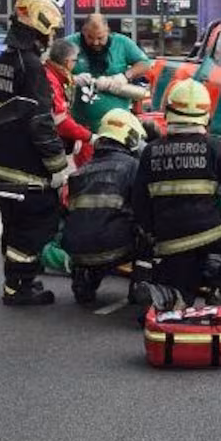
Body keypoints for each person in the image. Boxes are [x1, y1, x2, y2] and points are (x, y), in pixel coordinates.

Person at [129, 78, 221, 307]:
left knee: (180, 288)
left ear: (169, 112)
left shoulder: (150, 152)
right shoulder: (214, 147)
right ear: (206, 115)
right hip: (214, 239)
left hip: (170, 245)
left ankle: (168, 296)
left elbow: (139, 203)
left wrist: (155, 235)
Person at [0, 0, 71, 306]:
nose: (52, 38)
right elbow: (40, 123)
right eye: (51, 31)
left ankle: (13, 281)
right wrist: (58, 166)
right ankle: (20, 286)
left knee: (13, 222)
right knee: (37, 222)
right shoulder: (33, 68)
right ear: (41, 28)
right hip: (26, 166)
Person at [63, 109, 146, 305]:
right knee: (150, 230)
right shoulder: (133, 168)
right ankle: (141, 287)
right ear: (131, 138)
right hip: (116, 248)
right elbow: (144, 210)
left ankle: (84, 280)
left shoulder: (80, 172)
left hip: (77, 251)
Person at [69, 13, 152, 133]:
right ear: (83, 31)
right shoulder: (70, 44)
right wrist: (73, 79)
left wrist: (124, 76)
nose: (95, 43)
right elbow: (50, 69)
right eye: (90, 37)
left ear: (107, 31)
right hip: (80, 125)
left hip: (118, 126)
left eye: (100, 38)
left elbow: (145, 63)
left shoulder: (122, 43)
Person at [46, 39, 95, 167]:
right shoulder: (52, 81)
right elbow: (61, 121)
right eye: (75, 60)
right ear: (67, 62)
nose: (75, 64)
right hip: (47, 142)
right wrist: (89, 137)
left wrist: (74, 80)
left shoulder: (52, 73)